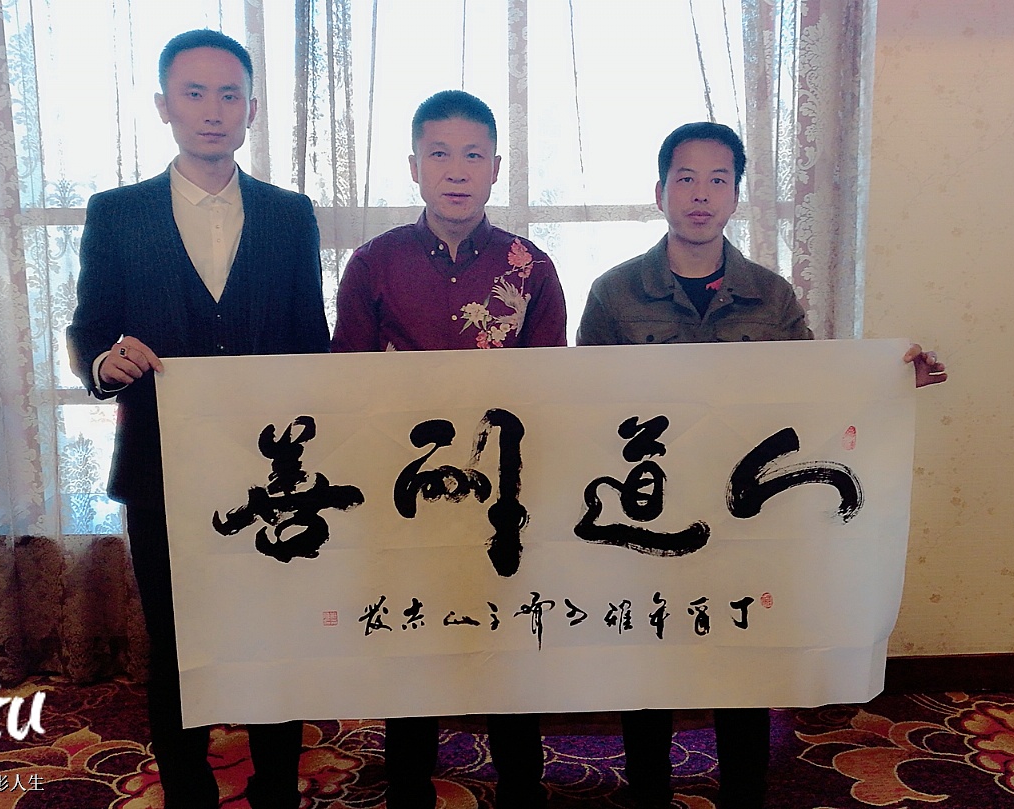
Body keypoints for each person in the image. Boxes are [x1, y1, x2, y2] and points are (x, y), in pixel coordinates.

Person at [576, 121, 947, 809]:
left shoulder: (771, 297)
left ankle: (744, 793)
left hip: (744, 511)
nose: (701, 194)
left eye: (718, 180)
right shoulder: (614, 294)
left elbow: (813, 392)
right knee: (649, 657)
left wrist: (894, 384)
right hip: (649, 508)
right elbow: (583, 405)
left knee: (744, 662)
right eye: (686, 178)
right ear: (660, 191)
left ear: (736, 195)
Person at [66, 29, 329, 809]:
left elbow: (308, 339)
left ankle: (277, 789)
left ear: (251, 109)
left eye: (228, 95)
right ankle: (187, 792)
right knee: (177, 643)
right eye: (193, 93)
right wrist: (103, 362)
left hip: (273, 472)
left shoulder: (290, 214)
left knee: (274, 639)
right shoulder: (117, 213)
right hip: (161, 468)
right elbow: (90, 327)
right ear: (164, 105)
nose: (212, 111)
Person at [332, 90, 567, 809]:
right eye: (439, 154)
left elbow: (550, 392)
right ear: (414, 166)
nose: (456, 171)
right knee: (412, 646)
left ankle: (521, 788)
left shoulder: (532, 267)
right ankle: (409, 786)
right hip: (404, 493)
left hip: (505, 492)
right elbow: (345, 386)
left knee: (509, 644)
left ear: (496, 167)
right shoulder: (372, 265)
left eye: (473, 155)